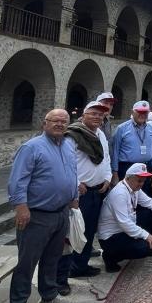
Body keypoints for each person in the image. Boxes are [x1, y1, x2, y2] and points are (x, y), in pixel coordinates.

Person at [6, 109, 79, 303]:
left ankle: (48, 295)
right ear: (44, 123)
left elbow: (72, 173)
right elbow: (18, 180)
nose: (59, 124)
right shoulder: (32, 147)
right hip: (36, 214)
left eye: (63, 121)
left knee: (52, 258)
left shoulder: (68, 145)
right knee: (26, 264)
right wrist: (21, 207)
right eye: (55, 121)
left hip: (60, 213)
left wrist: (74, 195)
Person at [63, 100, 112, 277]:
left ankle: (81, 265)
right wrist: (76, 183)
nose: (97, 117)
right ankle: (71, 267)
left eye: (100, 114)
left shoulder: (101, 135)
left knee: (90, 229)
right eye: (93, 113)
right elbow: (66, 162)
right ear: (84, 115)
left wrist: (107, 177)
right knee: (75, 230)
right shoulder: (73, 135)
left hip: (97, 190)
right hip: (80, 193)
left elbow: (106, 158)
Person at [97, 163, 152, 271]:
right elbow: (124, 223)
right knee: (143, 248)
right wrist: (146, 235)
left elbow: (148, 202)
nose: (141, 184)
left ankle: (144, 245)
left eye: (143, 181)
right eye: (139, 180)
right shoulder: (119, 193)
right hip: (111, 237)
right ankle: (109, 256)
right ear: (128, 178)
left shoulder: (133, 188)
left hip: (123, 230)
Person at [111, 101, 152, 186]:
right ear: (132, 112)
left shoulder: (150, 128)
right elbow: (115, 152)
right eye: (139, 112)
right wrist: (115, 173)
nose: (142, 114)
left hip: (146, 168)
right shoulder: (122, 128)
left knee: (144, 196)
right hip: (127, 168)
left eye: (145, 112)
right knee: (127, 196)